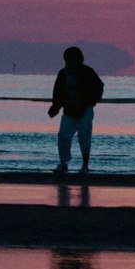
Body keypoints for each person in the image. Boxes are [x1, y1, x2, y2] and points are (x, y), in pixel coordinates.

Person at [47, 45, 105, 178]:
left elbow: (99, 86)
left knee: (84, 137)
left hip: (85, 110)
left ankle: (85, 166)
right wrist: (55, 107)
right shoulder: (63, 74)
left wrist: (92, 101)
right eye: (67, 60)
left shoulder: (87, 72)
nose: (69, 63)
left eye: (71, 60)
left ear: (79, 60)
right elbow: (58, 92)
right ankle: (64, 163)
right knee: (63, 136)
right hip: (69, 111)